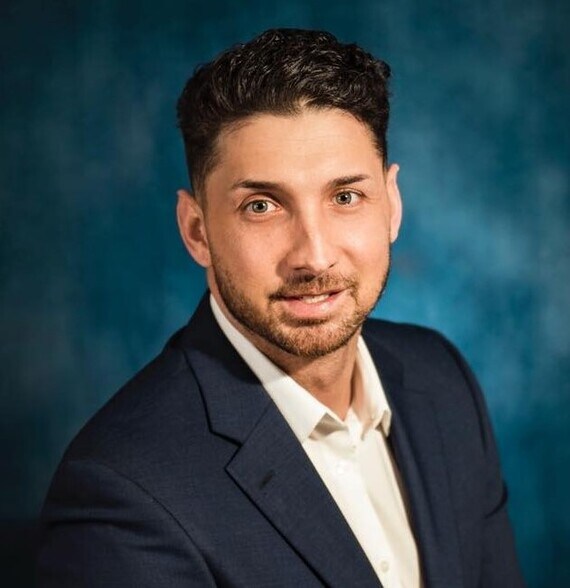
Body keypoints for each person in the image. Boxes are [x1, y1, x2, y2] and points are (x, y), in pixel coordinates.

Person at [37, 28, 525, 587]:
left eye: (345, 197)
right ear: (197, 231)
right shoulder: (121, 494)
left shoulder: (443, 381)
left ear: (391, 204)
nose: (313, 256)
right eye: (262, 206)